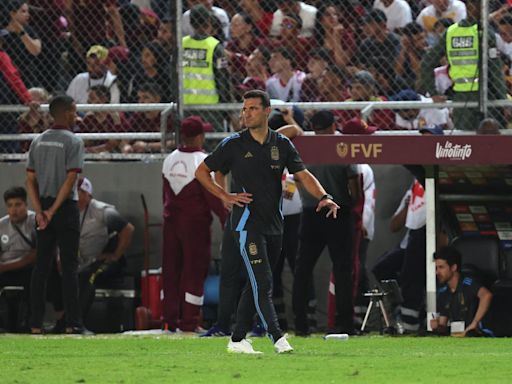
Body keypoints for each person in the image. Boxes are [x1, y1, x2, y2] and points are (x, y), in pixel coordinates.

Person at [195, 90, 339, 354]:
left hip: (274, 224)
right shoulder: (232, 144)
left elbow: (303, 175)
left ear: (266, 111)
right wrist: (224, 195)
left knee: (259, 282)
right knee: (263, 281)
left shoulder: (281, 144)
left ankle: (237, 339)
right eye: (243, 109)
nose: (245, 113)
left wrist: (324, 196)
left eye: (251, 108)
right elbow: (202, 172)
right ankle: (277, 337)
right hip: (246, 224)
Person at [293, 110, 362, 336]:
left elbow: (298, 179)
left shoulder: (306, 148)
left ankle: (301, 323)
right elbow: (354, 186)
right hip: (337, 211)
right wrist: (350, 205)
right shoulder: (342, 148)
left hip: (310, 212)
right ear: (333, 125)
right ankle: (344, 323)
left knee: (303, 268)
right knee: (342, 269)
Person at [25, 94, 86, 335]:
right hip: (64, 207)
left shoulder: (37, 141)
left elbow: (30, 179)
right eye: (74, 111)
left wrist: (40, 210)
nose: (76, 115)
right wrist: (54, 210)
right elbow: (71, 179)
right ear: (67, 112)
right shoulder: (73, 142)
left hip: (43, 206)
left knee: (41, 266)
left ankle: (35, 323)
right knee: (69, 267)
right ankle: (73, 323)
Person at [161, 116, 227, 332]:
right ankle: (189, 321)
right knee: (194, 270)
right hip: (195, 225)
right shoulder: (202, 161)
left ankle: (170, 319)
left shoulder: (169, 159)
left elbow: (165, 195)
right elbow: (213, 197)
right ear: (199, 136)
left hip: (171, 223)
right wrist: (226, 220)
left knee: (171, 270)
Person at [419, 0, 506, 130]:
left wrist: (433, 92)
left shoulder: (451, 32)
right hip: (487, 95)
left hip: (461, 97)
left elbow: (427, 62)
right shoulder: (486, 33)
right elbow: (495, 70)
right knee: (491, 141)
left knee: (466, 142)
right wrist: (503, 99)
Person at [182, 5, 232, 131]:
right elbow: (223, 80)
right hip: (211, 109)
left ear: (191, 23)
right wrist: (227, 110)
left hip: (185, 106)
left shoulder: (181, 45)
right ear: (208, 22)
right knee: (214, 146)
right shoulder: (215, 46)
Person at [431, 246, 493, 336]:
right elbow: (443, 325)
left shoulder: (468, 282)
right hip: (457, 335)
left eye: (441, 267)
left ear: (453, 267)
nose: (437, 272)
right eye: (436, 268)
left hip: (476, 333)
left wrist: (474, 323)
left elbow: (487, 295)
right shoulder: (443, 292)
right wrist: (437, 326)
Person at [0, 186, 36, 331]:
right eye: (10, 205)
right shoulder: (1, 225)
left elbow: (37, 254)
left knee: (36, 277)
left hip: (27, 268)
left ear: (26, 204)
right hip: (5, 268)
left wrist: (6, 266)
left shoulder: (35, 222)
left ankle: (28, 322)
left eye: (18, 205)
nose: (14, 210)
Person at [3, 0, 42, 88]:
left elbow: (36, 50)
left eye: (28, 11)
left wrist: (21, 32)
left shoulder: (28, 30)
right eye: (23, 11)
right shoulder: (3, 30)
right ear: (12, 13)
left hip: (26, 72)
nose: (27, 14)